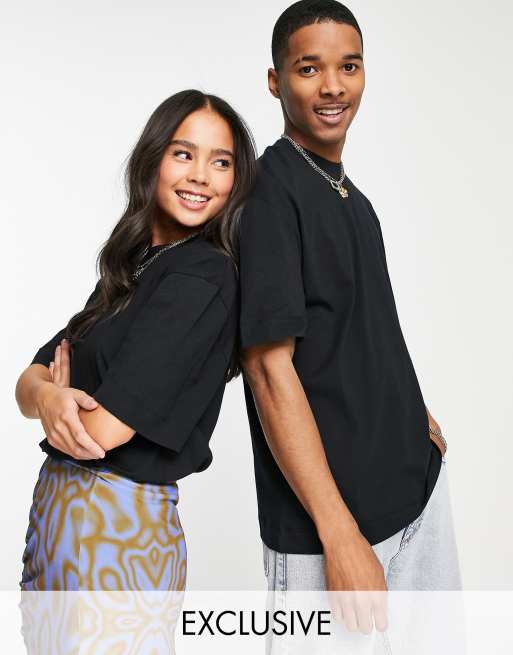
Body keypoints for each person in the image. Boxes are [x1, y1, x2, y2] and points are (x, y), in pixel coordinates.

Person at [239, 0, 462, 646]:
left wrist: (410, 413)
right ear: (276, 81)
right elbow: (267, 369)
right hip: (332, 530)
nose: (333, 86)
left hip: (415, 495)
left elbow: (357, 330)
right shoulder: (268, 194)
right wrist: (338, 534)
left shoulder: (353, 199)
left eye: (349, 66)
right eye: (309, 68)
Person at [15, 89, 256, 593]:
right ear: (153, 159)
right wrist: (51, 397)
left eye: (221, 162)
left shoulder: (202, 275)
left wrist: (55, 398)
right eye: (183, 154)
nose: (200, 176)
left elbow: (101, 432)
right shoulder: (135, 266)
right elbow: (28, 382)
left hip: (114, 530)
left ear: (236, 180)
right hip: (63, 519)